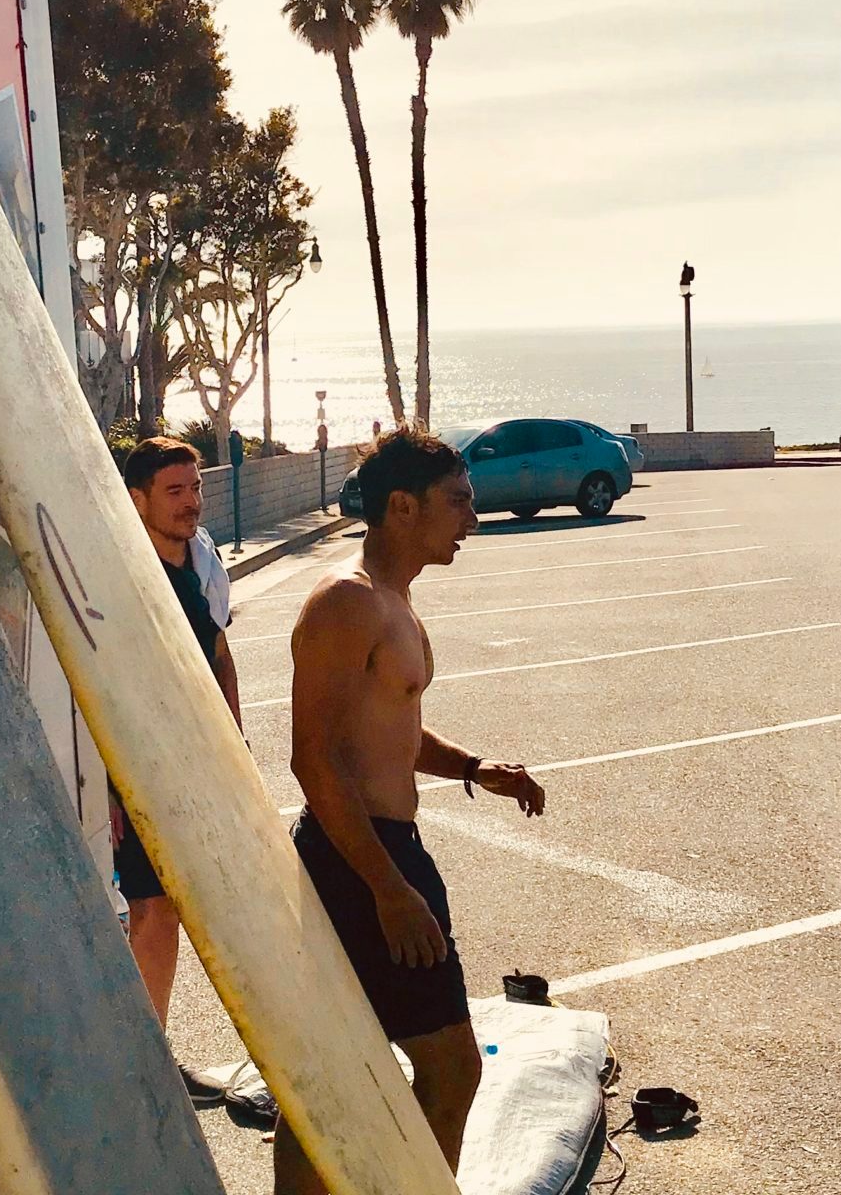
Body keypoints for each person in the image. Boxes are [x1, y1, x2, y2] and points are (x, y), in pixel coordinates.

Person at [276, 428, 546, 1193]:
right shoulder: (347, 603)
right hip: (357, 859)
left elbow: (389, 725)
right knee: (443, 1067)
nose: (472, 520)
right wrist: (389, 890)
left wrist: (471, 768)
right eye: (457, 502)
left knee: (341, 1073)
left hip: (383, 852)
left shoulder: (392, 601)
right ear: (402, 507)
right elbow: (314, 758)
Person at [115, 436, 242, 1029]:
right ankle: (148, 1046)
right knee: (151, 907)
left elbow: (219, 650)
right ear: (137, 500)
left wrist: (236, 745)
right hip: (138, 766)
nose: (191, 502)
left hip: (198, 761)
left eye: (196, 488)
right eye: (174, 491)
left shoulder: (203, 559)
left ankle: (150, 1043)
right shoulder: (122, 574)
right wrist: (109, 786)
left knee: (176, 905)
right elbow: (98, 680)